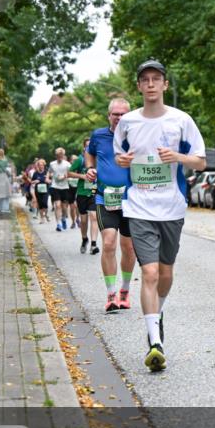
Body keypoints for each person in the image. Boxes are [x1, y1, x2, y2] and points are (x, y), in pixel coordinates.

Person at [115, 61, 206, 371]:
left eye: (156, 79)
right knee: (150, 274)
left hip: (171, 207)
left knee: (166, 274)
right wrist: (122, 161)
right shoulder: (127, 122)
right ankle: (155, 342)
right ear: (139, 86)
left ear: (165, 85)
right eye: (145, 80)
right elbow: (119, 154)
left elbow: (200, 162)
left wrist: (177, 157)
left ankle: (158, 312)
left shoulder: (181, 120)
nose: (151, 84)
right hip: (138, 207)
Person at [87, 99, 137, 313]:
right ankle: (111, 294)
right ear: (109, 116)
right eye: (115, 114)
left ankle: (124, 290)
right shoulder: (98, 136)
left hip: (131, 200)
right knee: (108, 244)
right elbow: (89, 152)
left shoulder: (138, 136)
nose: (119, 117)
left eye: (123, 114)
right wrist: (90, 168)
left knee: (129, 247)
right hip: (104, 198)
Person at [68, 138, 100, 255]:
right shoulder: (80, 160)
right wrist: (82, 176)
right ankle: (84, 239)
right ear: (84, 148)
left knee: (94, 216)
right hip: (82, 193)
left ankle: (93, 244)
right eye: (87, 146)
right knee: (84, 220)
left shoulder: (99, 159)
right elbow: (69, 173)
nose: (90, 148)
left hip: (94, 191)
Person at [48, 148, 72, 231]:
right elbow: (49, 172)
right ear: (56, 156)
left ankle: (63, 218)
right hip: (55, 186)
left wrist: (64, 176)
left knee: (64, 207)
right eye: (58, 155)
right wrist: (49, 177)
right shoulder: (52, 164)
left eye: (61, 155)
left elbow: (71, 173)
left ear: (63, 155)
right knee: (57, 205)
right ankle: (58, 224)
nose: (60, 157)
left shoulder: (67, 164)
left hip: (65, 187)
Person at [31, 159, 50, 224]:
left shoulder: (46, 172)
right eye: (40, 165)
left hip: (45, 190)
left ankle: (46, 214)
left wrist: (48, 181)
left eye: (42, 165)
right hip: (38, 190)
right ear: (38, 166)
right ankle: (42, 218)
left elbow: (50, 180)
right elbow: (31, 181)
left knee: (45, 203)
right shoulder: (35, 173)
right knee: (40, 204)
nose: (41, 166)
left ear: (44, 166)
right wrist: (35, 181)